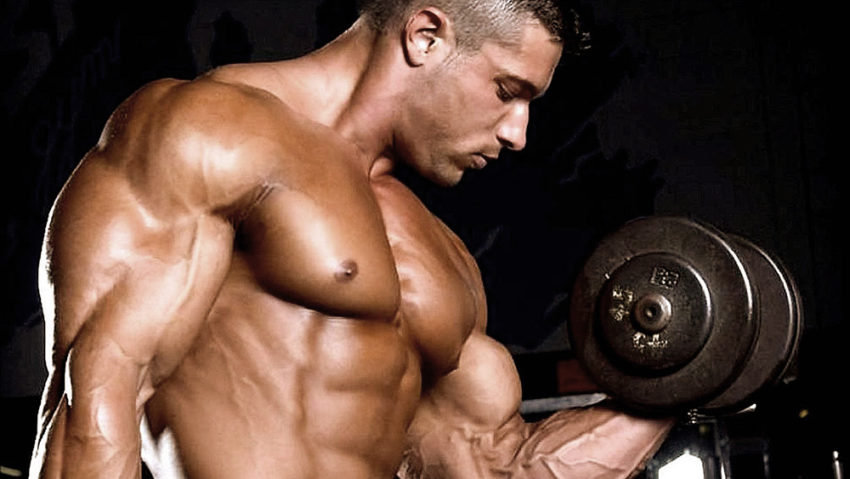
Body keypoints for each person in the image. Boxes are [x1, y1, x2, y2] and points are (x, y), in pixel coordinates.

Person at [30, 1, 672, 477]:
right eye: (508, 92)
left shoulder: (441, 253)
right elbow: (92, 404)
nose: (517, 133)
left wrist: (687, 377)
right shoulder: (206, 131)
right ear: (426, 35)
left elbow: (492, 465)